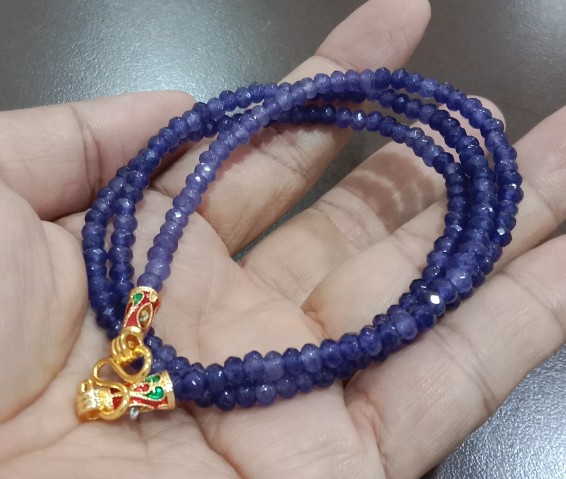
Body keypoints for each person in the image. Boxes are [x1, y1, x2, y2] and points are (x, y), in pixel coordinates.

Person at [0, 0, 564, 477]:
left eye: (106, 399)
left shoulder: (138, 348)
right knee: (138, 206)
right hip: (147, 357)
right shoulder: (127, 323)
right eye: (108, 401)